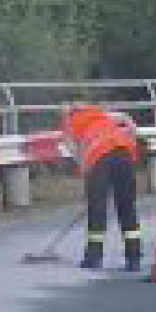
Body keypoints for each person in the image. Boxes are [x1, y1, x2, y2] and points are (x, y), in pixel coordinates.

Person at [61, 104, 142, 271]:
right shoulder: (101, 113)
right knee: (127, 207)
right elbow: (129, 121)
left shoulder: (69, 123)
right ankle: (134, 259)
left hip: (99, 159)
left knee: (97, 210)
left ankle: (94, 258)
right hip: (124, 154)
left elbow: (73, 149)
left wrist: (86, 172)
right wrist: (132, 144)